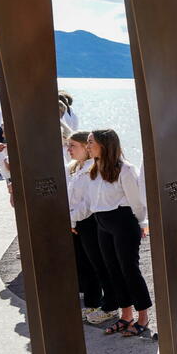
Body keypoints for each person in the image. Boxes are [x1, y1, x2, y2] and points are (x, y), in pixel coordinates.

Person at [86, 129, 152, 337]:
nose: (87, 146)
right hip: (102, 222)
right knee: (112, 269)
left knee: (129, 270)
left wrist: (142, 223)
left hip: (123, 221)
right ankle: (126, 315)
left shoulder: (126, 170)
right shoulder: (94, 168)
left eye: (91, 143)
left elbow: (137, 202)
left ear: (105, 145)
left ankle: (143, 316)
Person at [66, 131, 109, 321]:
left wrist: (72, 220)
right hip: (76, 221)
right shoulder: (74, 168)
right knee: (83, 264)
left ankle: (103, 304)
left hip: (89, 221)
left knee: (96, 263)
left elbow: (89, 203)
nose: (69, 149)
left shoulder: (94, 168)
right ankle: (92, 303)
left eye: (72, 145)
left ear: (85, 147)